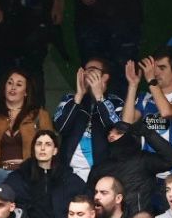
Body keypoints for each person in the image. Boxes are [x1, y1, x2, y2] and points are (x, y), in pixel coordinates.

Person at [0, 68, 53, 208]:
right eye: (10, 83)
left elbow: (50, 150)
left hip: (27, 176)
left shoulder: (39, 115)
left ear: (26, 92)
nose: (13, 87)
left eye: (19, 84)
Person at [5, 129, 86, 218]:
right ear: (33, 149)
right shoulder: (21, 175)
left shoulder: (67, 177)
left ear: (55, 150)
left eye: (48, 144)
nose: (42, 148)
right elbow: (3, 198)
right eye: (39, 144)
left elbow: (87, 202)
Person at [54, 56, 126, 185]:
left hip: (101, 176)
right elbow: (61, 128)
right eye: (85, 70)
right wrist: (79, 96)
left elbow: (117, 131)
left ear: (105, 77)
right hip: (68, 174)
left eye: (92, 70)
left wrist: (100, 97)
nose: (86, 73)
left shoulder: (116, 102)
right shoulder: (70, 98)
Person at [90, 121, 172, 216]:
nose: (111, 135)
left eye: (118, 132)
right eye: (109, 133)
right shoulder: (101, 167)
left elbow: (170, 159)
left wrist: (148, 133)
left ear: (130, 136)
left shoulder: (143, 160)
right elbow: (90, 197)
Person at [126, 48, 172, 168]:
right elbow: (127, 123)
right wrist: (133, 85)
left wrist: (151, 80)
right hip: (148, 170)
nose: (156, 73)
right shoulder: (145, 97)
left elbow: (166, 112)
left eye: (162, 68)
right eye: (154, 68)